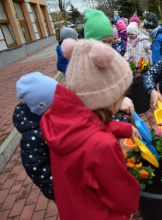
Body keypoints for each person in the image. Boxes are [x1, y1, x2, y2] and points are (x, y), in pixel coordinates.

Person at [40, 39, 141, 220]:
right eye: (122, 94)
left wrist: (126, 129)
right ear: (108, 98)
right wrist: (132, 205)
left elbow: (90, 124)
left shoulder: (59, 122)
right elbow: (122, 193)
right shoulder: (102, 145)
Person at [13, 72, 58, 201]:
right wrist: (64, 191)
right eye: (56, 101)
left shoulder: (54, 113)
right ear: (42, 107)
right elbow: (41, 174)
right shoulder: (32, 139)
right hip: (66, 191)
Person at [84, 9, 134, 117]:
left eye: (110, 42)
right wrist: (118, 101)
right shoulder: (86, 69)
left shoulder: (106, 60)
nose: (108, 47)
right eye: (103, 42)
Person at [143, 12, 162, 106]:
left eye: (147, 28)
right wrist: (152, 46)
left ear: (153, 26)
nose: (146, 30)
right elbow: (158, 46)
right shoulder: (155, 35)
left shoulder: (159, 36)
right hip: (158, 63)